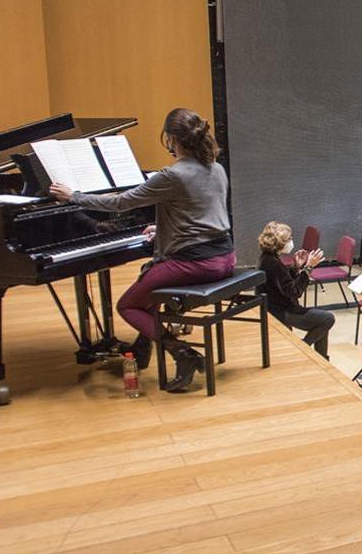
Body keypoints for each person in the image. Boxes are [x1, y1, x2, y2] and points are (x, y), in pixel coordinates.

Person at [50, 108, 233, 392]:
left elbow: (120, 203)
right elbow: (204, 215)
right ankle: (143, 346)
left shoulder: (171, 175)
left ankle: (181, 353)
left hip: (196, 263)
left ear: (171, 139)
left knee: (128, 305)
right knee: (150, 278)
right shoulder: (217, 168)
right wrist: (163, 230)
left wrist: (73, 196)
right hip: (224, 256)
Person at [257, 222, 335, 358]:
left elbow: (282, 282)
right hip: (281, 311)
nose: (291, 241)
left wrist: (296, 267)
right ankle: (302, 348)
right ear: (279, 243)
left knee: (322, 323)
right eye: (289, 239)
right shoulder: (272, 263)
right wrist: (308, 268)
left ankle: (321, 359)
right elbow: (294, 291)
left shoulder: (267, 258)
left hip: (275, 307)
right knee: (327, 319)